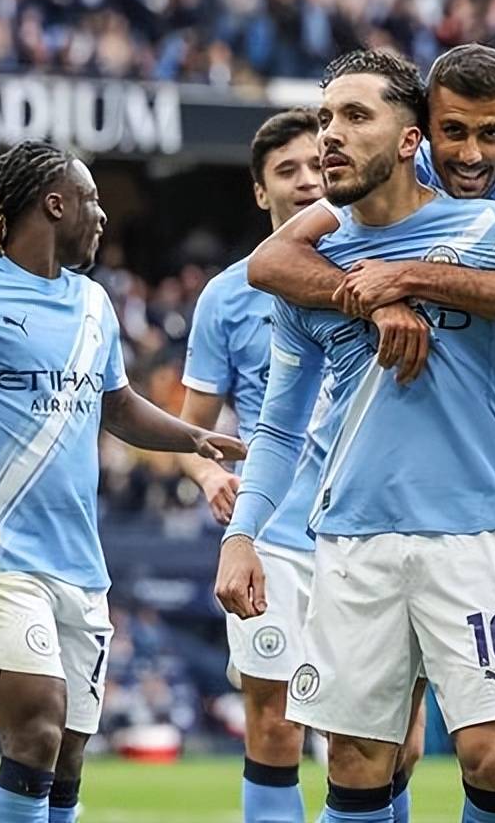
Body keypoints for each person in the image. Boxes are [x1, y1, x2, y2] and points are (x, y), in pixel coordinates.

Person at [219, 48, 495, 823]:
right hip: (352, 541)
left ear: (408, 139)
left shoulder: (494, 231)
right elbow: (279, 426)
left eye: (355, 116)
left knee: (493, 756)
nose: (330, 134)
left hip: (477, 533)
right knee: (355, 761)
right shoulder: (311, 268)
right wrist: (242, 533)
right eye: (326, 117)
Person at [0, 140, 246, 823]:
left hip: (78, 560)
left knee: (69, 753)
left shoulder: (94, 304)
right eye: (92, 200)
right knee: (37, 725)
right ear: (55, 203)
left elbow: (118, 407)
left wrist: (190, 437)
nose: (102, 216)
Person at [183, 109, 425, 823]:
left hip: (375, 525)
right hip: (278, 537)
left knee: (396, 740)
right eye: (285, 171)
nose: (305, 181)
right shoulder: (230, 294)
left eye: (316, 166)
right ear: (261, 192)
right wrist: (211, 475)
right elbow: (191, 431)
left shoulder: (385, 271)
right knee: (276, 720)